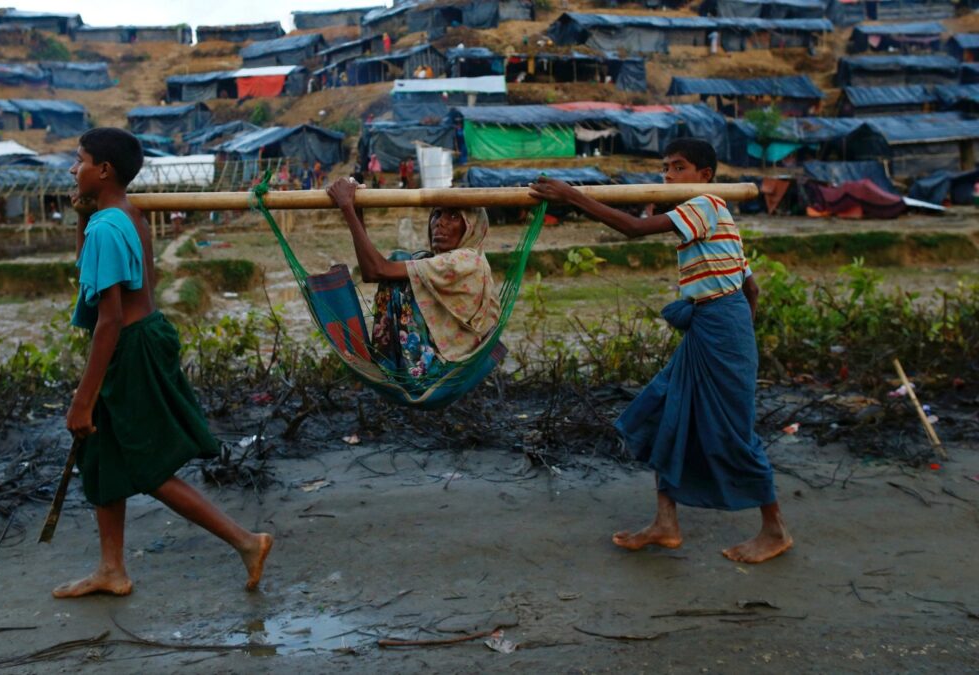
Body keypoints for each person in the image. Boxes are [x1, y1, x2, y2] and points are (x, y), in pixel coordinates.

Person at [529, 139, 792, 564]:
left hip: (720, 329)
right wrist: (736, 324)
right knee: (665, 410)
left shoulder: (705, 203)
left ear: (704, 174)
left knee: (733, 432)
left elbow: (632, 229)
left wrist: (572, 196)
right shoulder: (714, 214)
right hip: (716, 326)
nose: (667, 175)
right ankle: (665, 522)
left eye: (678, 167)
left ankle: (775, 530)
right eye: (665, 168)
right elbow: (752, 287)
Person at [53, 128, 273, 599]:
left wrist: (82, 399)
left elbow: (108, 319)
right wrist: (81, 219)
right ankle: (111, 569)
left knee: (146, 465)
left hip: (128, 346)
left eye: (80, 160)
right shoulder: (124, 217)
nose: (74, 169)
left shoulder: (108, 227)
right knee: (102, 455)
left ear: (104, 170)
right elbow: (91, 277)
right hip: (142, 337)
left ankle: (246, 541)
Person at [325, 177, 498, 381]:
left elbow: (376, 271)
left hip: (441, 369)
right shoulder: (444, 262)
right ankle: (388, 362)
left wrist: (348, 209)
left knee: (400, 263)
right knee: (407, 264)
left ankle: (388, 363)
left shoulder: (465, 261)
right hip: (436, 357)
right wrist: (356, 209)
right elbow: (371, 271)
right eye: (437, 214)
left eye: (453, 216)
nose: (440, 222)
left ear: (472, 226)